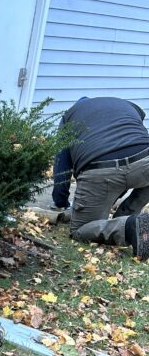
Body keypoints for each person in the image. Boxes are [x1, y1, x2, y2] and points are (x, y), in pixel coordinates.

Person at [52, 96, 149, 260]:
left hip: (100, 169)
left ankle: (131, 226)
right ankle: (133, 221)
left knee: (79, 230)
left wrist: (61, 201)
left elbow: (61, 165)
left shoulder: (69, 117)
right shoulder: (129, 106)